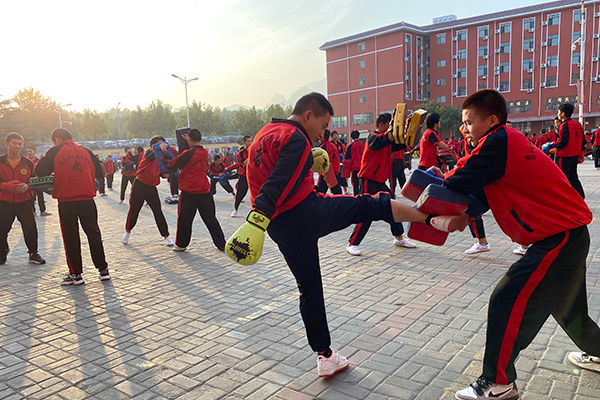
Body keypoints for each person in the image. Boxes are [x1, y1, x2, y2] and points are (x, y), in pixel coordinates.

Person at [228, 92, 467, 378]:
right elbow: (278, 182)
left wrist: (306, 165)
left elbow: (267, 171)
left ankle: (325, 356)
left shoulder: (265, 132)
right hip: (303, 212)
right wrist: (256, 219)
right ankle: (430, 218)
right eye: (324, 123)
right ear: (309, 116)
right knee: (369, 204)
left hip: (281, 226)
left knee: (309, 288)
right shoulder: (297, 138)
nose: (323, 132)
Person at [435, 90, 600, 400]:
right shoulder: (505, 140)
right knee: (567, 310)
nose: (464, 129)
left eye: (469, 122)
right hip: (569, 234)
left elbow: (457, 180)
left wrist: (435, 183)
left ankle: (498, 383)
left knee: (505, 298)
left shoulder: (497, 141)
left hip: (558, 238)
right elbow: (488, 187)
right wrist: (468, 214)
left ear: (491, 120)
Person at [34, 128, 109, 285]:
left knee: (71, 237)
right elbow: (100, 173)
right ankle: (103, 270)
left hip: (67, 201)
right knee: (94, 234)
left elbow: (39, 171)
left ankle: (76, 275)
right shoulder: (86, 151)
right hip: (88, 200)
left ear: (57, 139)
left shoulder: (55, 151)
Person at [345, 113, 416, 256]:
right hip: (367, 181)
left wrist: (409, 125)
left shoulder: (388, 143)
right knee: (366, 212)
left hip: (380, 183)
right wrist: (398, 124)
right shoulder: (373, 138)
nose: (391, 129)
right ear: (382, 125)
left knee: (393, 208)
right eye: (390, 125)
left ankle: (399, 238)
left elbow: (405, 142)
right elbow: (388, 137)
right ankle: (352, 243)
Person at [162, 128, 226, 252]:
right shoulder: (205, 153)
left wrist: (164, 152)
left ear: (190, 139)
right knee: (211, 219)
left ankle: (181, 244)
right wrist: (188, 140)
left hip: (189, 192)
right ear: (200, 139)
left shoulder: (188, 153)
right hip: (205, 191)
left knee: (184, 220)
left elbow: (172, 164)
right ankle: (221, 243)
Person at [0, 133, 46, 265]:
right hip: (4, 202)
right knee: (2, 229)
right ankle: (2, 250)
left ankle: (33, 253)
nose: (17, 146)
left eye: (20, 144)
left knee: (30, 227)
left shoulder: (28, 163)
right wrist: (7, 186)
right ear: (6, 143)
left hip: (24, 202)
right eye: (14, 143)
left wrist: (28, 186)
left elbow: (35, 181)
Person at [121, 136, 174, 247]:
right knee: (134, 210)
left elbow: (163, 174)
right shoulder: (148, 154)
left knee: (157, 211)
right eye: (159, 144)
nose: (162, 146)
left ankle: (166, 236)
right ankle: (127, 231)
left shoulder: (161, 159)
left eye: (164, 143)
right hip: (139, 185)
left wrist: (166, 174)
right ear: (152, 146)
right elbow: (153, 153)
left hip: (151, 188)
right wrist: (162, 149)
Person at [552, 103, 585, 198]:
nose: (558, 114)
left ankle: (564, 198)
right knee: (573, 177)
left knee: (563, 178)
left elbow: (563, 141)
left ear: (563, 113)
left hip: (564, 156)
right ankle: (580, 196)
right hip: (574, 156)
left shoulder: (564, 125)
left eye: (558, 112)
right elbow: (582, 140)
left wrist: (553, 145)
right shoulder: (578, 125)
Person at [228, 135, 252, 217]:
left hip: (253, 175)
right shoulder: (241, 153)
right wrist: (250, 157)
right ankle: (235, 209)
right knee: (240, 193)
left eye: (251, 141)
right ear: (244, 143)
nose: (250, 143)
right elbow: (242, 164)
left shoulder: (255, 150)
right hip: (244, 175)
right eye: (248, 141)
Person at [26, 148, 51, 216]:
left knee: (40, 196)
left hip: (38, 181)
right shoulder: (26, 161)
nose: (29, 153)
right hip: (30, 181)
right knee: (31, 197)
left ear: (34, 152)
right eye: (28, 151)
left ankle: (42, 211)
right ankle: (32, 211)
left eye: (30, 151)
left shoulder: (39, 161)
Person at [316, 129, 342, 194]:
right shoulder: (333, 146)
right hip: (335, 172)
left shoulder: (322, 147)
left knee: (320, 193)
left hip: (326, 173)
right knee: (337, 193)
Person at [344, 130, 365, 195]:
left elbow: (347, 157)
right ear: (358, 136)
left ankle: (357, 198)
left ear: (351, 137)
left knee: (355, 185)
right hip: (362, 168)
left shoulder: (350, 146)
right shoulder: (363, 145)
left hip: (354, 168)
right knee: (362, 185)